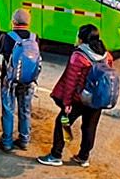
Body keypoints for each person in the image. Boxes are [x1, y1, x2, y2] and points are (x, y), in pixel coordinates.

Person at [38, 24, 112, 167]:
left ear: (82, 38)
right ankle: (84, 157)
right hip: (96, 100)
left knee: (62, 122)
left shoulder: (79, 56)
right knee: (89, 127)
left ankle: (56, 154)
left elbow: (70, 83)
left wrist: (67, 103)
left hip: (79, 100)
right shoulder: (106, 56)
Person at [0, 9, 40, 152]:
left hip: (10, 81)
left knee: (8, 110)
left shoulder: (7, 37)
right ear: (28, 22)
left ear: (13, 22)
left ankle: (7, 142)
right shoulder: (34, 37)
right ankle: (24, 140)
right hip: (28, 81)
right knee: (25, 109)